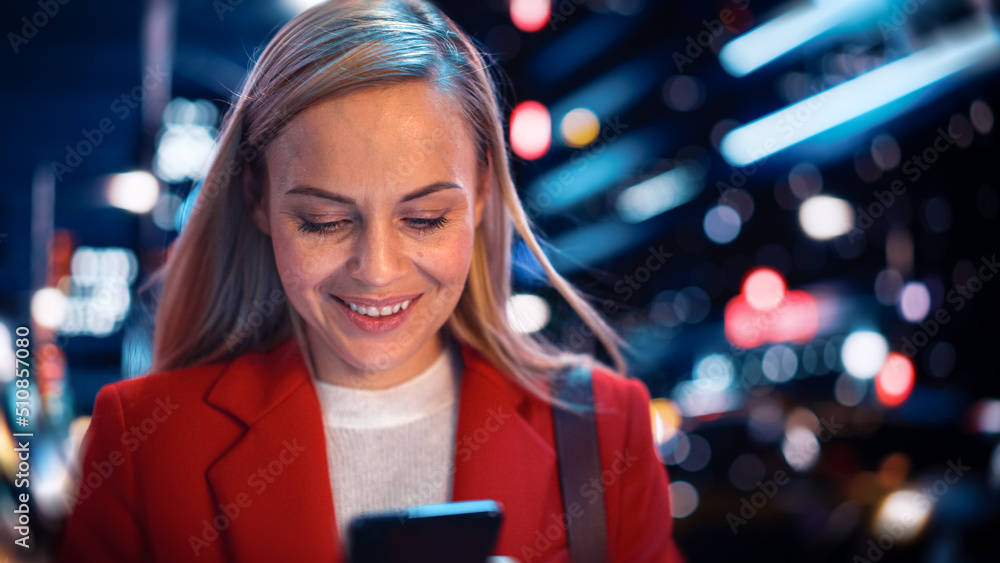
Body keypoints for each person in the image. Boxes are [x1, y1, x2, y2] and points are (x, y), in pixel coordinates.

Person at [59, 0, 682, 561]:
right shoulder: (145, 442)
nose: (378, 270)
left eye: (425, 218)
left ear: (485, 192)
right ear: (257, 199)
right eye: (324, 221)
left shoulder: (603, 427)